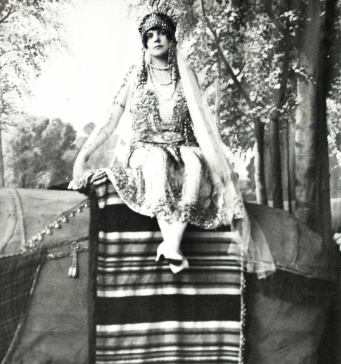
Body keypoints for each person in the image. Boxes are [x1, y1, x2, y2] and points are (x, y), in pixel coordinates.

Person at [70, 12, 271, 276]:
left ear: (171, 39)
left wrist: (219, 160)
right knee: (158, 160)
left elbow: (202, 123)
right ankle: (171, 246)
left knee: (195, 163)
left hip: (183, 147)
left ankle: (171, 245)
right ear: (144, 42)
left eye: (162, 33)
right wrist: (83, 156)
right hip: (144, 150)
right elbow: (110, 121)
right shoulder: (135, 76)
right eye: (150, 35)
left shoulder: (185, 76)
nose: (156, 39)